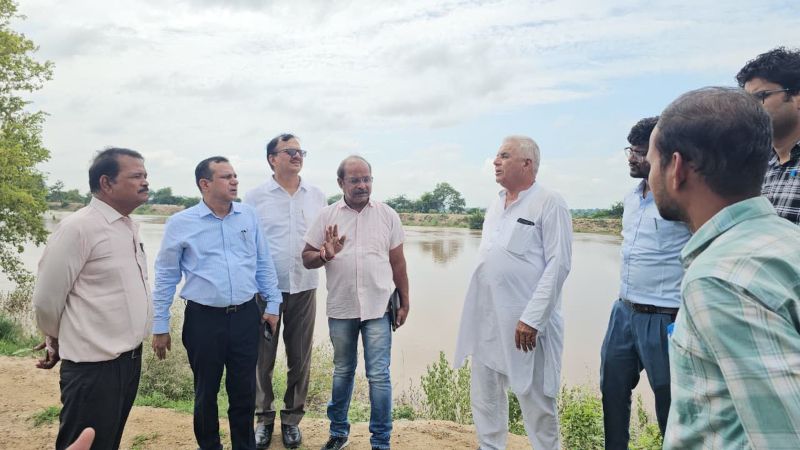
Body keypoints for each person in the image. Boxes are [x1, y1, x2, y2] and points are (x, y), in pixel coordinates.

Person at [647, 87, 800, 448]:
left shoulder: (720, 279)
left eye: (653, 164)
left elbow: (786, 437)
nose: (650, 177)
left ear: (677, 169)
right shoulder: (784, 240)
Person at [151, 156, 283, 450]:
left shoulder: (248, 216)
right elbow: (166, 275)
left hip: (246, 316)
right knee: (205, 391)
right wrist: (160, 324)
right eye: (226, 177)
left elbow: (263, 262)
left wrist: (273, 304)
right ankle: (209, 446)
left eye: (235, 175)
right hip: (204, 320)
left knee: (244, 391)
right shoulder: (181, 223)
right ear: (205, 184)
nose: (234, 181)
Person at [454, 136, 572, 450]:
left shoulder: (549, 201)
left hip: (527, 326)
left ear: (526, 163)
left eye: (504, 156)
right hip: (488, 319)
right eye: (497, 156)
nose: (495, 161)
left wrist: (532, 319)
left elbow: (559, 264)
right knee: (486, 398)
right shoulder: (495, 204)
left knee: (537, 403)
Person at [32, 147, 152, 450]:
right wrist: (57, 337)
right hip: (93, 367)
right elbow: (46, 299)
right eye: (136, 176)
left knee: (108, 442)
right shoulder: (79, 227)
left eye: (145, 175)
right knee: (85, 444)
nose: (145, 182)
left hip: (128, 361)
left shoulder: (127, 227)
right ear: (106, 183)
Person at [301, 155, 409, 450]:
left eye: (366, 179)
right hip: (342, 308)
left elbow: (398, 263)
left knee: (379, 376)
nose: (362, 185)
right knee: (343, 372)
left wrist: (405, 300)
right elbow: (306, 258)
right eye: (355, 180)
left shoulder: (387, 215)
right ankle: (338, 433)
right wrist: (325, 254)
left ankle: (381, 441)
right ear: (341, 183)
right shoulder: (327, 216)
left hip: (378, 307)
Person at [599, 118, 690, 448]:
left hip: (665, 315)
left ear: (661, 154)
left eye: (640, 152)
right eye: (630, 150)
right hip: (623, 310)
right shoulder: (631, 198)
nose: (632, 158)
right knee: (611, 388)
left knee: (670, 400)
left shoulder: (680, 200)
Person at [244, 134, 327, 449]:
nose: (297, 156)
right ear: (272, 158)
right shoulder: (255, 197)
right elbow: (245, 243)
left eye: (300, 151)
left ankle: (291, 420)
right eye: (289, 151)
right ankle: (263, 420)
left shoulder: (317, 196)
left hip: (304, 287)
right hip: (265, 292)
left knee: (300, 357)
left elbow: (324, 240)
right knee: (260, 358)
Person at [736, 46, 800, 224]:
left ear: (797, 97)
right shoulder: (757, 165)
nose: (750, 107)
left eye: (760, 96)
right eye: (747, 101)